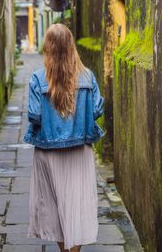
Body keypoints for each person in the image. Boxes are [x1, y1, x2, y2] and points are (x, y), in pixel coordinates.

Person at [23, 23, 105, 252]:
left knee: (54, 206)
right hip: (79, 152)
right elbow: (97, 110)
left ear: (48, 48)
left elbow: (34, 115)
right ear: (71, 46)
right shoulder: (87, 76)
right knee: (77, 206)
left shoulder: (38, 79)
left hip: (49, 153)